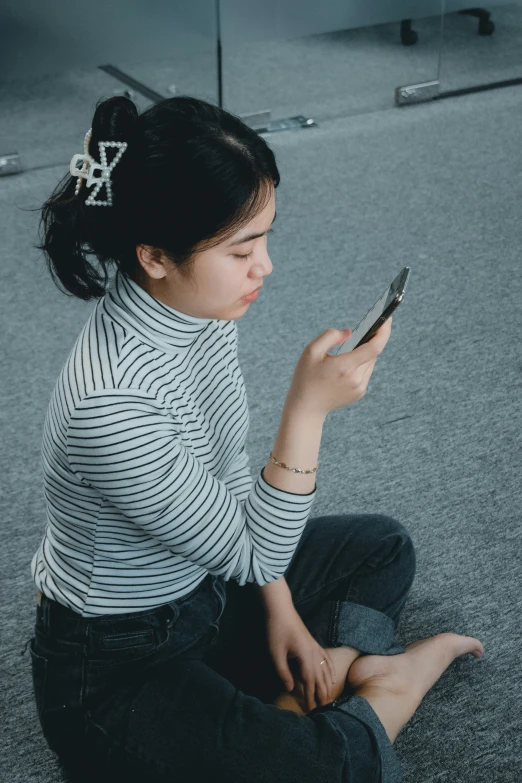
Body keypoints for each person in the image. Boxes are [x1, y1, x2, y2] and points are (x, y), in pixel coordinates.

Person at [28, 94, 484, 783]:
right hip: (116, 666)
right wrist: (307, 411)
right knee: (337, 767)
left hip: (203, 587)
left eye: (264, 239)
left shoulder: (199, 309)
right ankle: (381, 685)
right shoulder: (108, 405)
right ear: (154, 255)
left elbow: (227, 480)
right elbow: (251, 547)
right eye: (242, 249)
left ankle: (314, 682)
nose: (264, 266)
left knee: (383, 545)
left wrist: (282, 610)